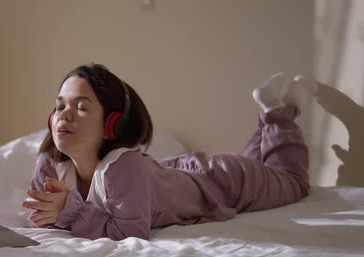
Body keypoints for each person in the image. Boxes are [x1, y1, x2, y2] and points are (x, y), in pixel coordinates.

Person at [21, 64, 317, 241]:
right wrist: (55, 213)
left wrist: (68, 210)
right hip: (176, 172)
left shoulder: (123, 167)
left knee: (292, 182)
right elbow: (43, 217)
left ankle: (280, 116)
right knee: (259, 167)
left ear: (112, 124)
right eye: (60, 106)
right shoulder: (51, 164)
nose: (64, 115)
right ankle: (270, 118)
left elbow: (130, 232)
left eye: (82, 107)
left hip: (220, 182)